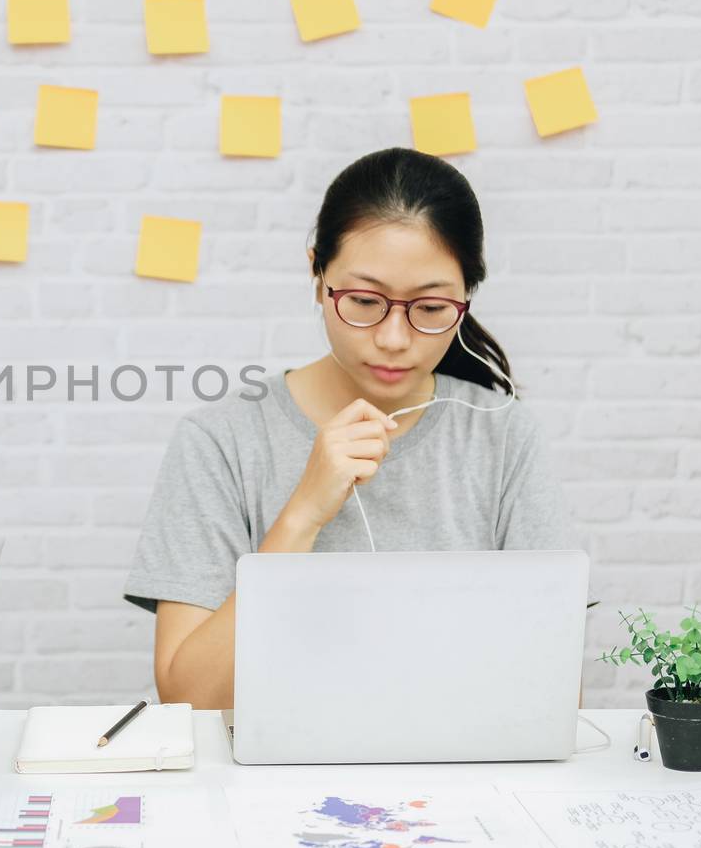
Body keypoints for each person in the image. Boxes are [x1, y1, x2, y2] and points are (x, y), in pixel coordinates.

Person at [124, 147, 574, 710]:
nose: (392, 338)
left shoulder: (504, 437)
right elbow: (189, 700)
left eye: (431, 309)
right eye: (363, 301)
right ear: (317, 275)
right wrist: (303, 515)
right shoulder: (220, 440)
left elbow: (556, 691)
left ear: (465, 299)